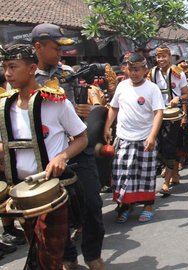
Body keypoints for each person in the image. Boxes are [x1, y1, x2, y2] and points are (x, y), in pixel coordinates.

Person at [0, 41, 88, 269]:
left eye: (13, 66)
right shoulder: (3, 106)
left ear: (31, 69)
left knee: (45, 257)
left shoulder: (55, 102)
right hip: (21, 193)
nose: (7, 73)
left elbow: (82, 138)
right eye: (5, 67)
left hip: (53, 191)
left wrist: (62, 157)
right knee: (38, 246)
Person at [31, 23, 105, 270]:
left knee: (92, 205)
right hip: (47, 156)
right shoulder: (26, 78)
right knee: (56, 214)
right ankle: (68, 256)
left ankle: (93, 255)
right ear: (38, 47)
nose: (60, 54)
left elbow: (82, 110)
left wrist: (87, 110)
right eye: (55, 48)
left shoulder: (67, 74)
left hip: (78, 150)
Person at [104, 54, 165, 224]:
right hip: (124, 138)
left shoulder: (152, 89)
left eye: (137, 70)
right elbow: (113, 108)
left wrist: (152, 136)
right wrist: (107, 126)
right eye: (131, 69)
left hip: (145, 138)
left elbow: (159, 112)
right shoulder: (122, 86)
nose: (134, 73)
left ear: (145, 70)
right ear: (126, 69)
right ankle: (125, 206)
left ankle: (147, 207)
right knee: (122, 175)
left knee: (145, 175)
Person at [148, 46, 188, 195]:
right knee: (158, 145)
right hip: (157, 114)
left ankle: (166, 183)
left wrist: (178, 99)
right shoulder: (152, 73)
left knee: (170, 146)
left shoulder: (178, 73)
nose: (161, 60)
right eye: (158, 57)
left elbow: (186, 95)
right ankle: (172, 173)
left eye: (164, 56)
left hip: (173, 115)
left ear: (169, 57)